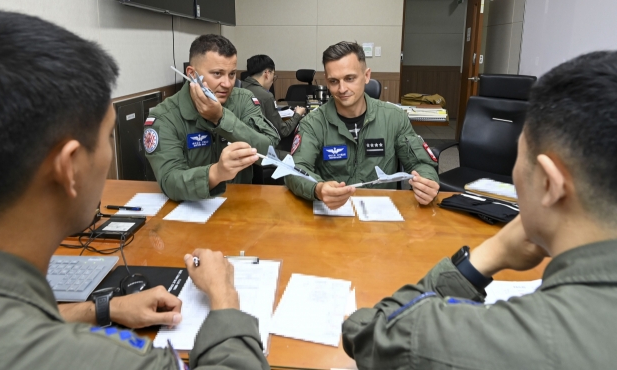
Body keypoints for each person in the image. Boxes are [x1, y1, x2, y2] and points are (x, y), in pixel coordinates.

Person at [0, 9, 269, 370]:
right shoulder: (106, 358)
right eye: (106, 137)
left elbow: (269, 145)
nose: (226, 82)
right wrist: (224, 295)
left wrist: (103, 307)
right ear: (69, 167)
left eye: (231, 74)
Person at [342, 51, 617, 369]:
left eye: (519, 158)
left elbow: (368, 334)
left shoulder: (505, 337)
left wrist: (490, 254)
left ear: (547, 183)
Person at [285, 41, 440, 210]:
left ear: (366, 76)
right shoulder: (313, 123)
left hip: (382, 216)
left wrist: (427, 182)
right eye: (334, 81)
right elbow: (296, 169)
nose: (342, 88)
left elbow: (421, 163)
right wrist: (317, 189)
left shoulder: (394, 117)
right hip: (332, 213)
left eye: (350, 78)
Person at [145, 34, 280, 202]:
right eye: (217, 74)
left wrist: (221, 118)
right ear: (192, 74)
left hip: (241, 204)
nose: (227, 83)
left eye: (232, 74)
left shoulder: (243, 99)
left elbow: (270, 152)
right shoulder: (165, 116)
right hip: (192, 207)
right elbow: (170, 181)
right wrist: (216, 173)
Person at [242, 54, 306, 138]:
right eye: (273, 74)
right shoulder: (266, 96)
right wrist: (298, 114)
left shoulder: (238, 88)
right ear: (267, 73)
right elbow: (283, 131)